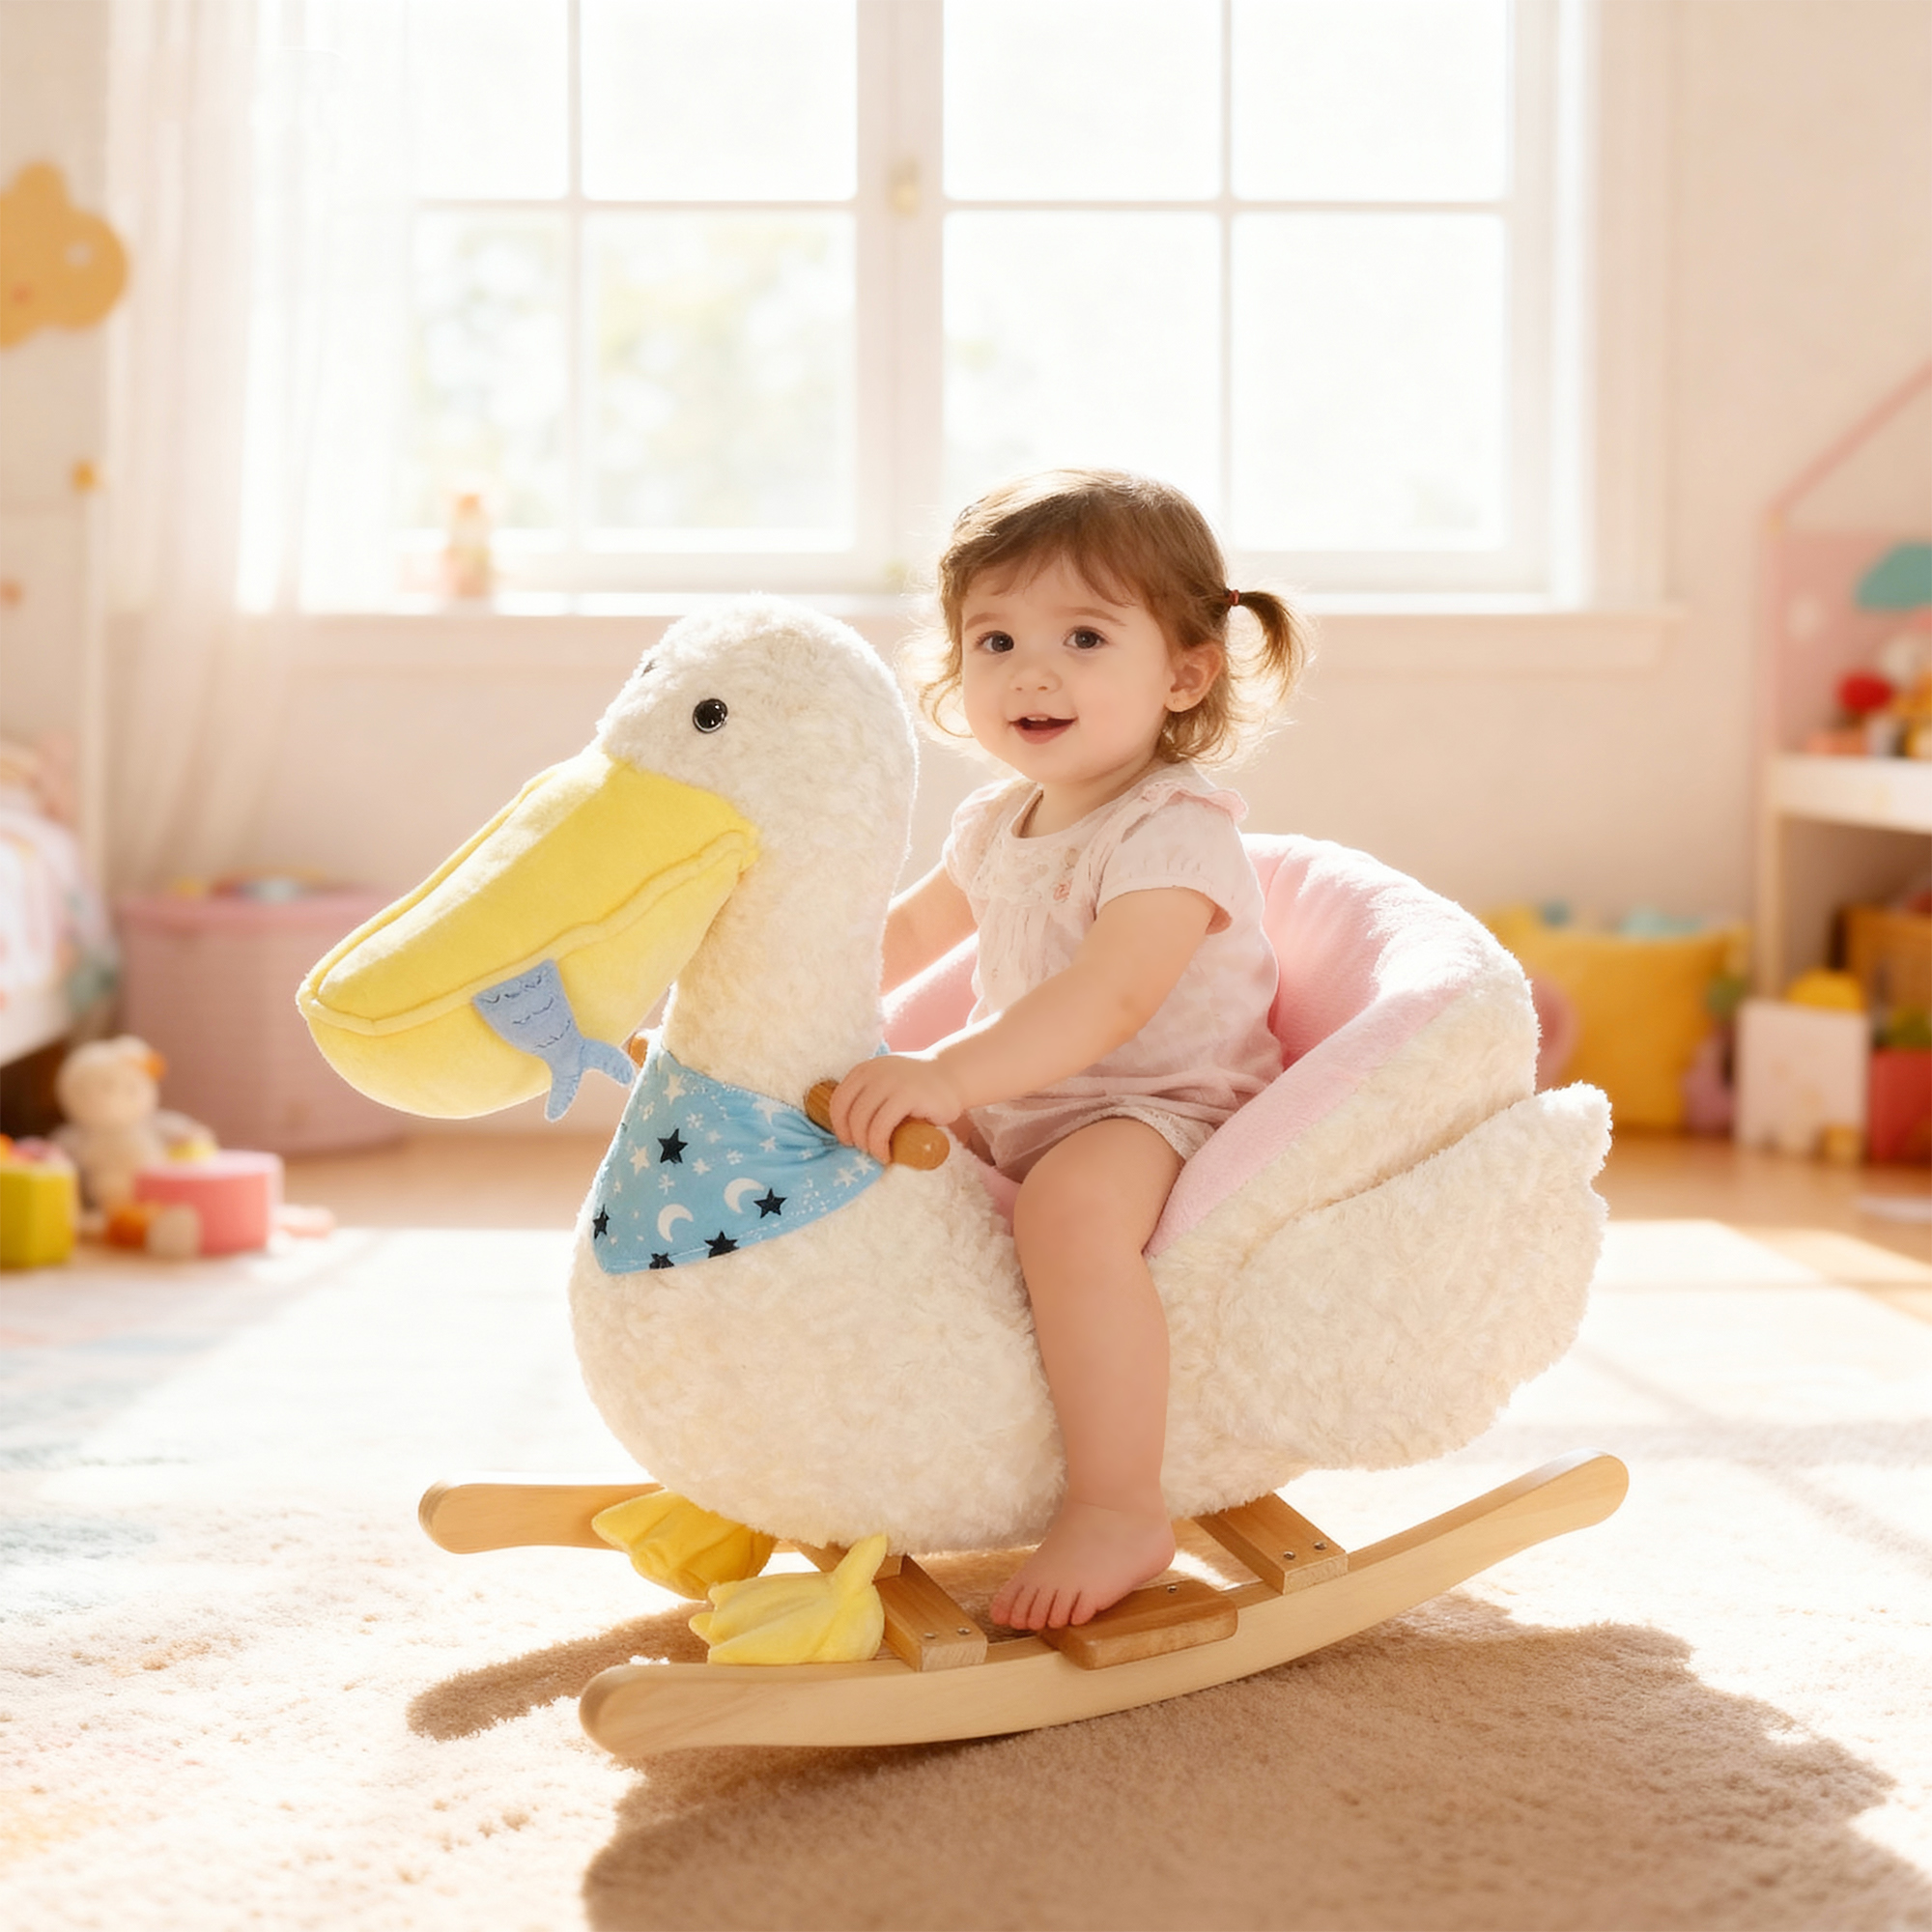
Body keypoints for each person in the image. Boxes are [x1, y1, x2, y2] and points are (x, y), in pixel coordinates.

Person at [828, 469, 1310, 1632]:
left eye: (1083, 637)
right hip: (1027, 1097)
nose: (1029, 672)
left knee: (1067, 1213)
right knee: (854, 1163)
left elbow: (1108, 998)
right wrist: (762, 1004)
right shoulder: (993, 820)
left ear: (1183, 673)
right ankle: (857, 1434)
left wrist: (947, 1072)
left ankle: (1116, 1503)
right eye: (993, 639)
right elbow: (900, 938)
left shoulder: (1171, 828)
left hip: (1160, 1105)